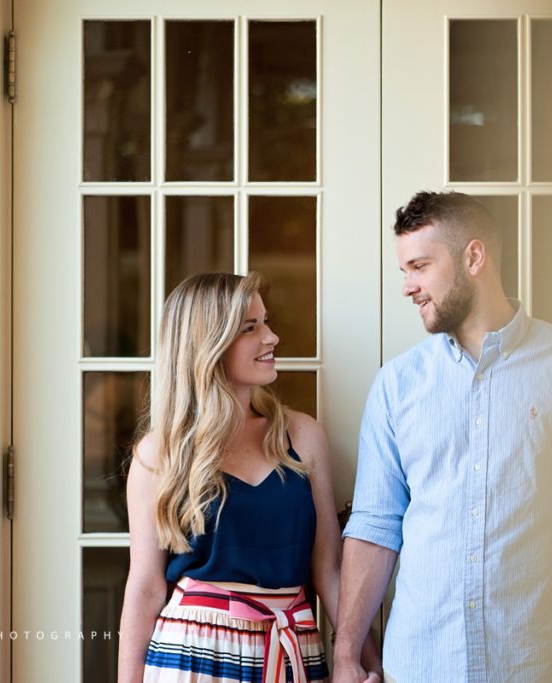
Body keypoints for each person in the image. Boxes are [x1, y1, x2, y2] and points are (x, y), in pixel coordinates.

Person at [333, 192, 552, 683]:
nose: (407, 287)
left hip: (544, 666)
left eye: (419, 266)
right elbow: (375, 527)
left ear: (474, 257)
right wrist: (346, 655)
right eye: (404, 271)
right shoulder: (397, 386)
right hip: (420, 666)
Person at [116, 272, 381, 683]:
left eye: (267, 322)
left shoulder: (302, 435)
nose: (272, 337)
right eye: (251, 328)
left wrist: (365, 662)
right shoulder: (159, 453)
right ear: (210, 344)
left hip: (292, 646)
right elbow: (146, 586)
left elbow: (327, 567)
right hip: (191, 655)